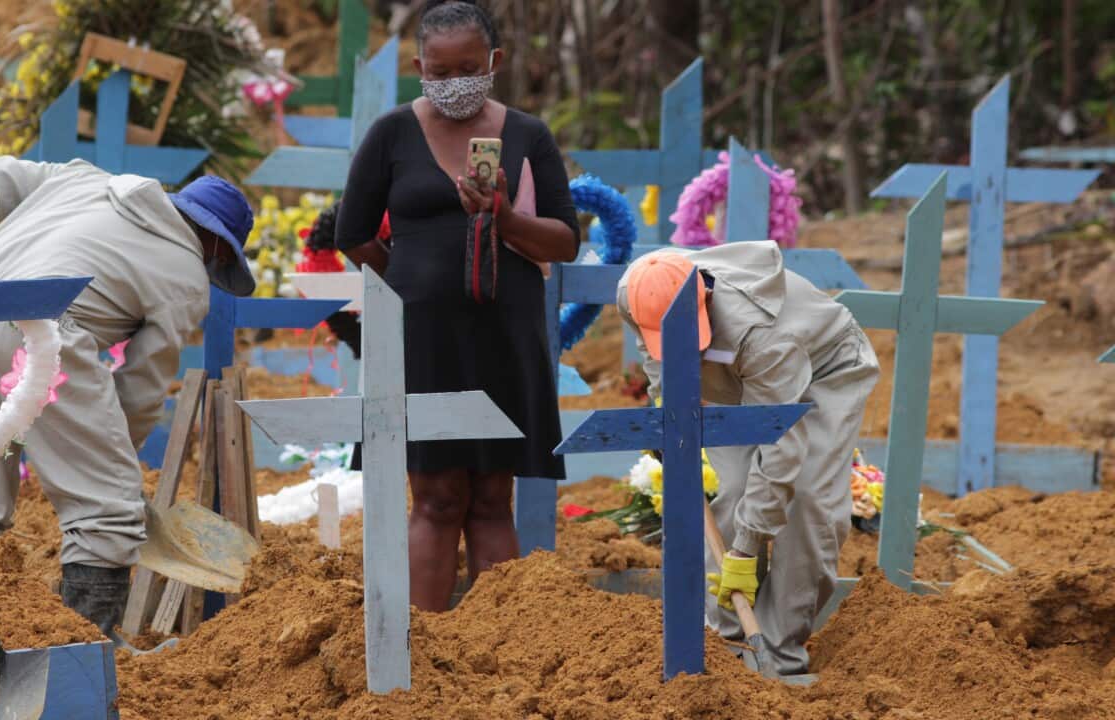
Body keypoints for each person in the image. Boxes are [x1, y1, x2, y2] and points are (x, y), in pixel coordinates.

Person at [335, 0, 580, 611]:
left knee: (494, 496)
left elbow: (566, 240)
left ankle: (499, 646)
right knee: (438, 495)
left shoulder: (527, 134)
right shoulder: (392, 133)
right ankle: (428, 648)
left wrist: (505, 218)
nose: (454, 83)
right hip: (424, 339)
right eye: (439, 72)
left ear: (494, 62)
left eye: (468, 68)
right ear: (420, 66)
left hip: (505, 334)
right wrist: (408, 285)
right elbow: (352, 231)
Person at [0, 154, 256, 637]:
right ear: (219, 246)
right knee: (107, 516)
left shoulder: (81, 179)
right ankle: (79, 651)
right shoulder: (185, 276)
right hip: (41, 337)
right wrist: (114, 464)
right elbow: (141, 389)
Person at [616, 241, 879, 676]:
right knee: (735, 488)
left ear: (706, 296)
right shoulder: (633, 289)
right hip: (732, 376)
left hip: (825, 367)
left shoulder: (763, 335)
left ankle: (779, 654)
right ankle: (725, 646)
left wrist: (746, 547)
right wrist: (669, 412)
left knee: (809, 500)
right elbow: (655, 356)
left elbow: (781, 448)